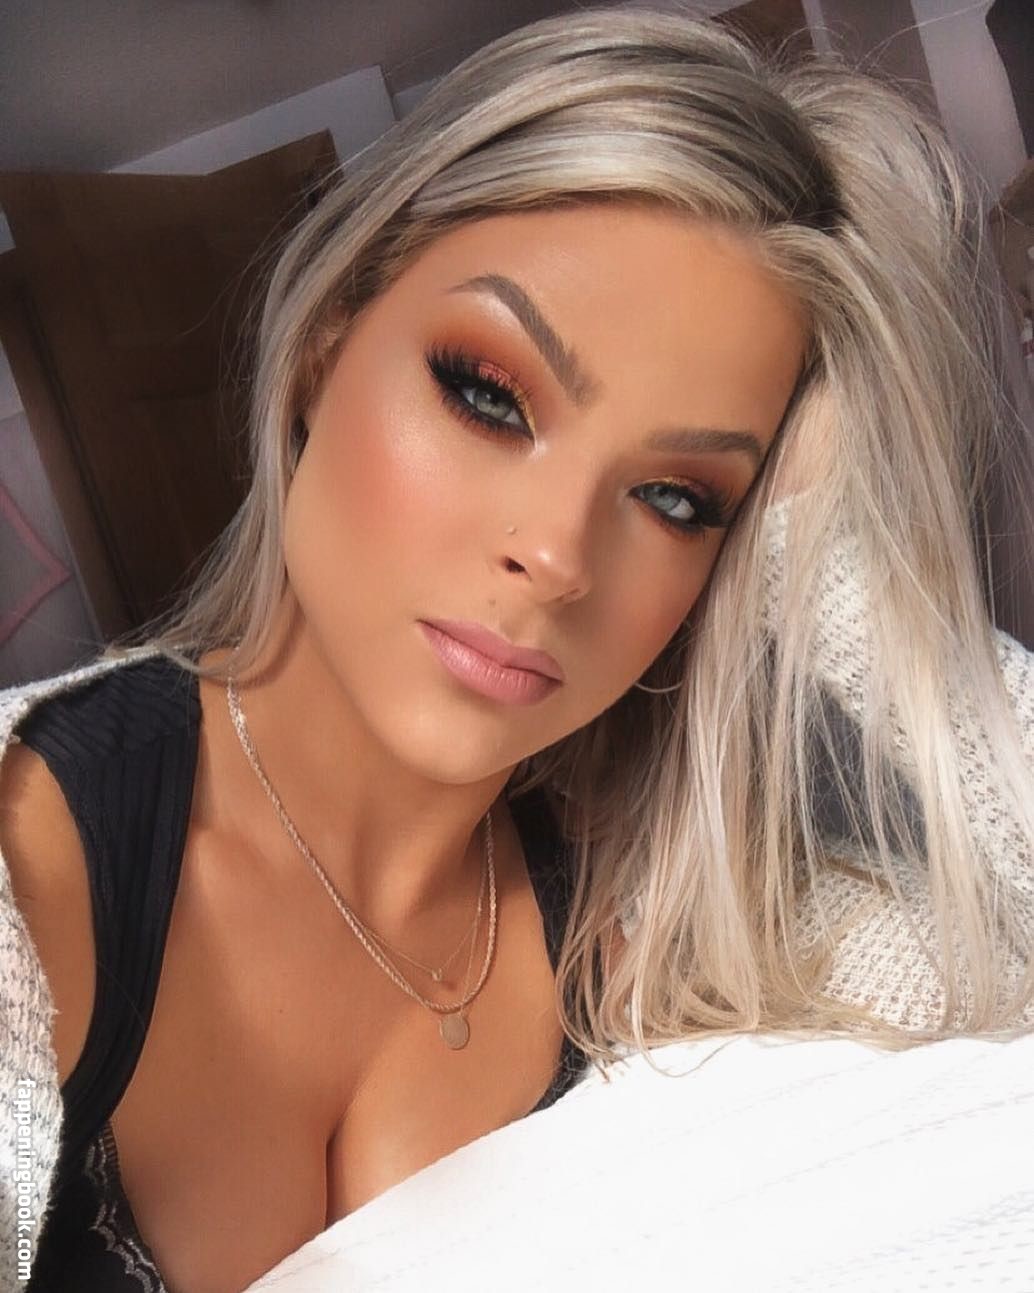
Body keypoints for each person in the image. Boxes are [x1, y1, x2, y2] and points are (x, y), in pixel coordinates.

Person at [2, 5, 1033, 1291]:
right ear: (323, 348)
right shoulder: (29, 868)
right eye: (487, 394)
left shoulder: (645, 916)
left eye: (677, 498)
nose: (555, 556)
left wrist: (838, 544)